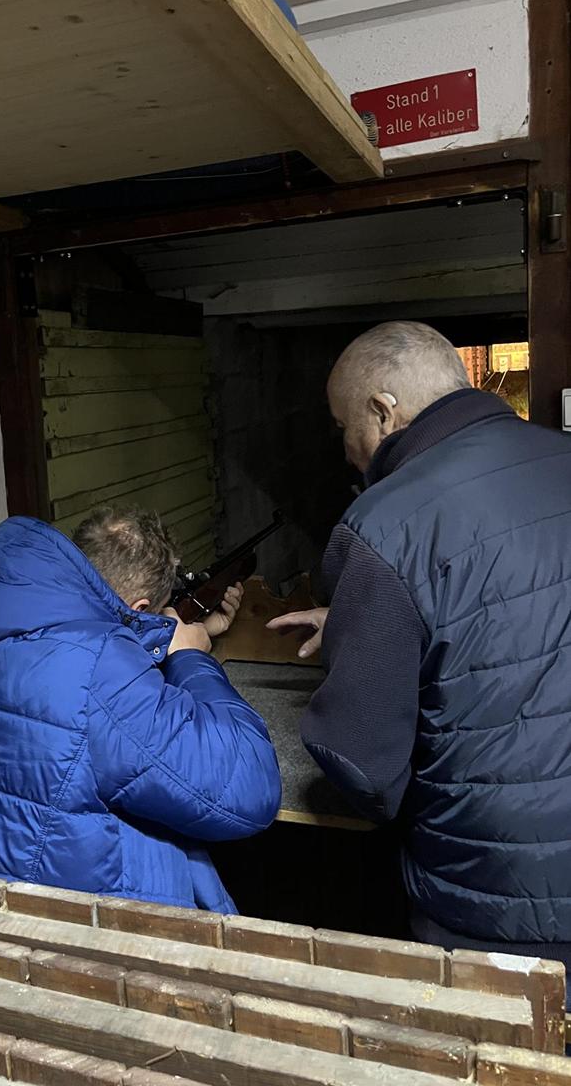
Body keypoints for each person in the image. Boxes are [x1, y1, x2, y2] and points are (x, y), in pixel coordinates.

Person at [269, 321, 571, 972]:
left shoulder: (386, 523)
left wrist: (362, 642)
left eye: (343, 425)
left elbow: (367, 772)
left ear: (383, 411)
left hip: (500, 903)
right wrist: (370, 617)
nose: (345, 448)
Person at [0, 508, 281, 911]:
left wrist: (188, 634)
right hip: (51, 919)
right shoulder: (100, 669)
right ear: (141, 606)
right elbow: (248, 788)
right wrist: (191, 657)